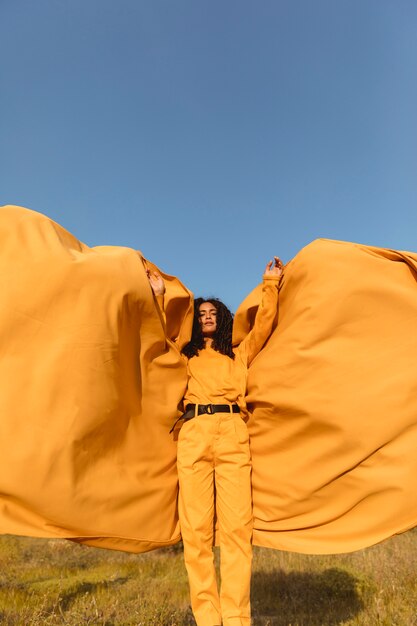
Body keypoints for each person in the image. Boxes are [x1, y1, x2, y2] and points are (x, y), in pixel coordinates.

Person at [148, 257, 282, 626]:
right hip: (192, 434)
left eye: (213, 312)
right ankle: (208, 619)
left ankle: (237, 619)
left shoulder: (238, 355)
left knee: (239, 530)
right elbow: (156, 334)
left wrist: (270, 282)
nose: (206, 316)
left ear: (223, 319)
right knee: (196, 532)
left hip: (232, 433)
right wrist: (159, 296)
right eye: (202, 313)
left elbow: (264, 325)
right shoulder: (184, 355)